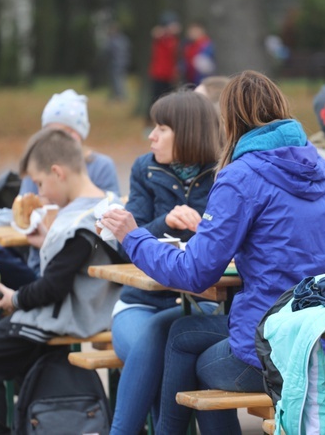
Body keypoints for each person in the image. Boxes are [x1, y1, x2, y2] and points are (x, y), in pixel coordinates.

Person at [101, 70, 325, 434]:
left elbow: (195, 273)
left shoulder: (241, 176)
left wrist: (134, 237)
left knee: (180, 341)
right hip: (324, 350)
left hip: (271, 351)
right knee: (178, 330)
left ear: (229, 121)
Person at [0, 129, 122, 434]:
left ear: (57, 172)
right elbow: (77, 263)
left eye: (39, 182)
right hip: (95, 310)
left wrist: (15, 299)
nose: (41, 193)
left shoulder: (77, 222)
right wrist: (45, 241)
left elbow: (52, 288)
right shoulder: (107, 203)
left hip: (68, 317)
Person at [109, 90, 220, 434]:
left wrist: (206, 229)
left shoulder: (223, 174)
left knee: (190, 354)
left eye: (161, 128)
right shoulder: (145, 168)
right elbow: (128, 244)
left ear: (187, 132)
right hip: (140, 304)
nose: (151, 136)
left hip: (204, 305)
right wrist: (166, 223)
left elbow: (229, 246)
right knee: (158, 340)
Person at [18, 89, 120, 275]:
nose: (48, 141)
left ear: (75, 135)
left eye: (57, 133)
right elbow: (23, 213)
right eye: (45, 133)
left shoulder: (102, 166)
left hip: (74, 268)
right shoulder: (38, 166)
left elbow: (104, 227)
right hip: (40, 261)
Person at [148, 12, 181, 111]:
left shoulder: (174, 39)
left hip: (169, 75)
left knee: (167, 100)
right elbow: (156, 33)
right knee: (156, 98)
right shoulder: (161, 37)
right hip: (159, 74)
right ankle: (150, 122)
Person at [182, 21, 215, 86]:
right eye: (191, 31)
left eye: (196, 31)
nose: (193, 33)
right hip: (189, 77)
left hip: (201, 78)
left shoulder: (205, 44)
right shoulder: (188, 44)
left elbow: (206, 64)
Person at [106, 24, 130, 102]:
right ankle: (121, 95)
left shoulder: (112, 41)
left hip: (116, 63)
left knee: (117, 80)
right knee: (121, 80)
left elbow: (108, 52)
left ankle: (119, 96)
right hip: (124, 62)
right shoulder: (124, 39)